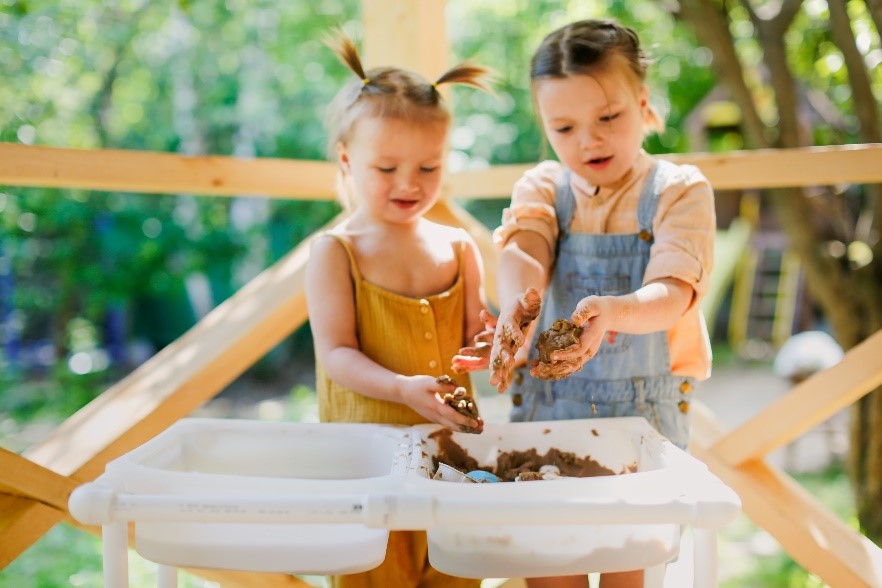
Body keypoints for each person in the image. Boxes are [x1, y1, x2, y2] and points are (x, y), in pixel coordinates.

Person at [453, 18, 715, 588]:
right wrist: (518, 309)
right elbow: (525, 250)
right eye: (564, 127)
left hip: (641, 425)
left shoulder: (679, 191)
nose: (588, 140)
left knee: (629, 572)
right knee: (549, 572)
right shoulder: (543, 187)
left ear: (643, 104)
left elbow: (672, 293)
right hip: (548, 415)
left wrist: (615, 313)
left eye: (608, 118)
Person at [305, 31, 491, 588]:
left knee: (456, 571)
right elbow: (336, 353)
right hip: (367, 463)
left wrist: (493, 343)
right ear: (347, 159)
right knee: (375, 573)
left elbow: (472, 338)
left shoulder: (458, 247)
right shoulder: (337, 252)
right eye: (387, 169)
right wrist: (403, 388)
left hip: (449, 457)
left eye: (428, 168)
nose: (409, 183)